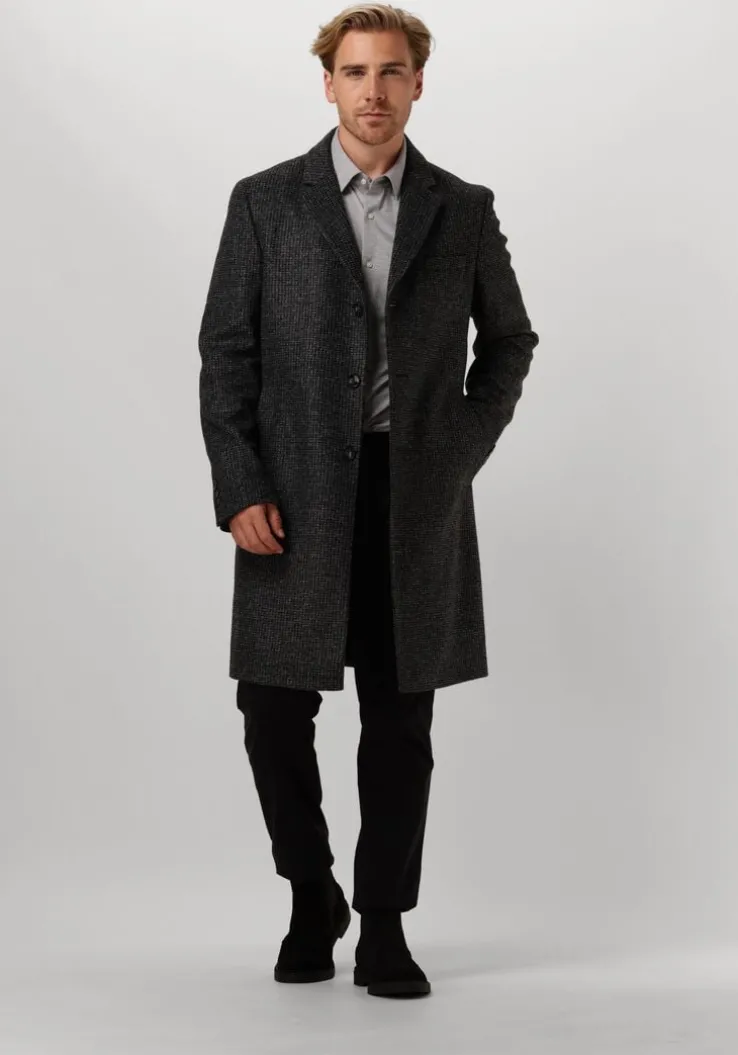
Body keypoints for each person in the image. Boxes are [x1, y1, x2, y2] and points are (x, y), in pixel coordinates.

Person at [197, 3, 539, 999]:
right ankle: (313, 893)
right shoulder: (266, 202)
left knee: (399, 722)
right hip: (292, 494)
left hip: (411, 495)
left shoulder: (460, 208)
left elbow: (509, 341)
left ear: (418, 84)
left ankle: (385, 921)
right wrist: (240, 485)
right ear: (328, 84)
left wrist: (456, 450)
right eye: (356, 72)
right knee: (271, 708)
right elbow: (226, 352)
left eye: (392, 72)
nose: (374, 92)